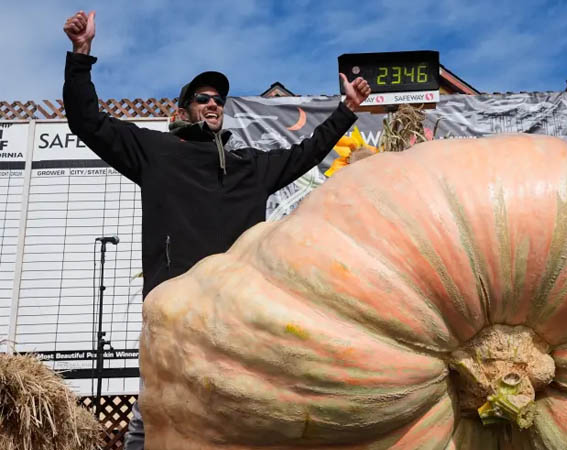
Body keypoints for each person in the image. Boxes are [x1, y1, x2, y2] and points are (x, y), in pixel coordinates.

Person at [62, 10, 370, 450]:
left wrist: (347, 111)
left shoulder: (250, 167)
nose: (213, 104)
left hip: (236, 318)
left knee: (240, 422)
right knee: (156, 417)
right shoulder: (156, 152)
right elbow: (87, 121)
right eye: (203, 97)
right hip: (175, 313)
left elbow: (307, 152)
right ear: (184, 107)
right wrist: (81, 54)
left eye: (219, 100)